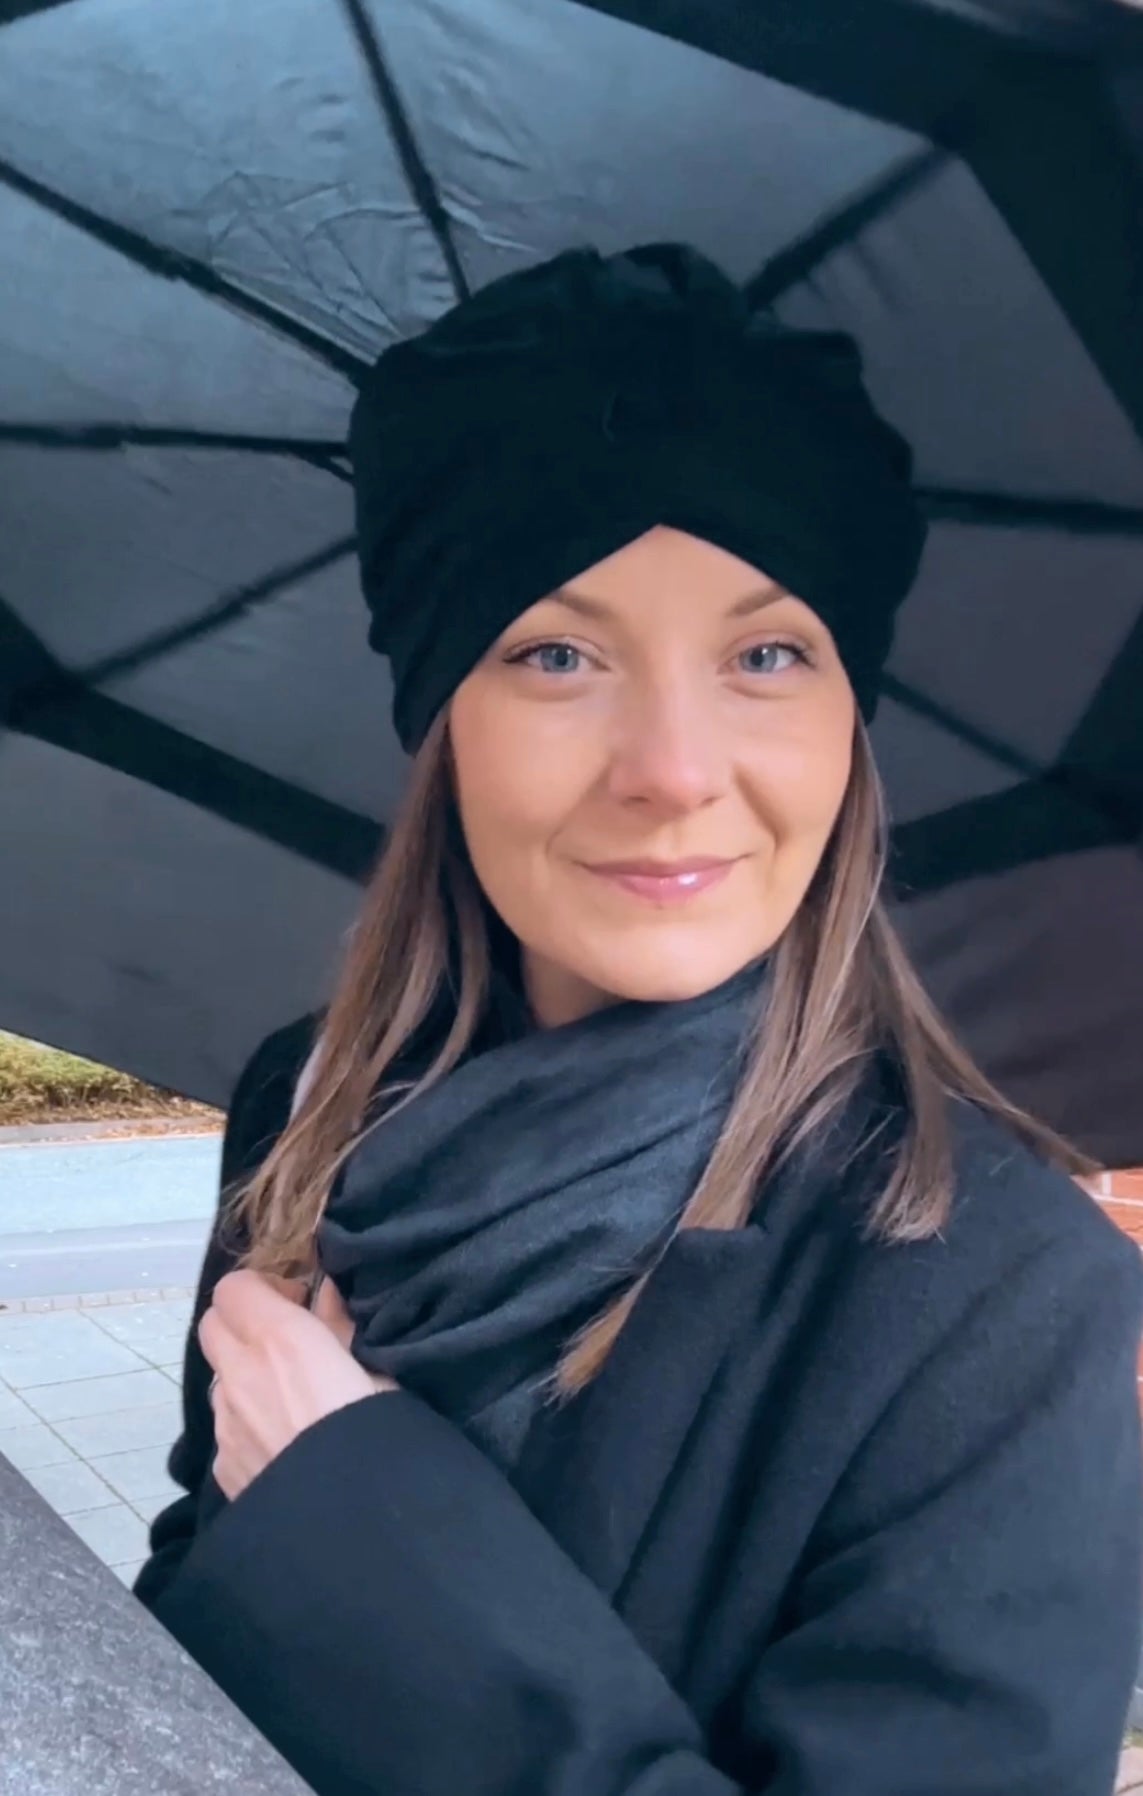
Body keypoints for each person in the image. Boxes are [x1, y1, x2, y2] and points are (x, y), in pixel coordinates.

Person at [135, 245, 1142, 1796]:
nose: (673, 765)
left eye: (765, 653)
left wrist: (368, 1533)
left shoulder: (999, 1298)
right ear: (439, 719)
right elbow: (186, 1633)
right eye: (554, 651)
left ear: (845, 725)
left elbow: (299, 1536)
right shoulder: (316, 1104)